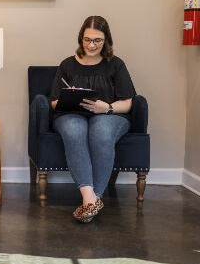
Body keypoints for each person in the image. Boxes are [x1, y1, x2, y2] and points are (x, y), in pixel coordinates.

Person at [49, 16, 136, 223]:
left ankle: (93, 199)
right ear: (81, 39)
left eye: (97, 40)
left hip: (109, 115)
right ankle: (90, 198)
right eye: (87, 40)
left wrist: (106, 108)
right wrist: (68, 98)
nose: (91, 45)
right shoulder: (67, 64)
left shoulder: (115, 64)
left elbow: (129, 102)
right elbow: (53, 102)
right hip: (71, 114)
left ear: (106, 40)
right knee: (74, 131)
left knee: (102, 132)